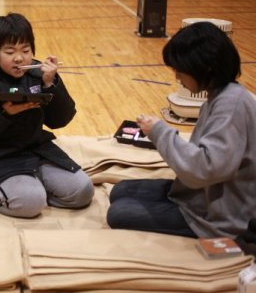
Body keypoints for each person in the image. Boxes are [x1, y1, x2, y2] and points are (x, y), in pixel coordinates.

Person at [107, 22, 256, 238]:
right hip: (200, 194)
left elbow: (203, 169)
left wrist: (160, 132)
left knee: (119, 213)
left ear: (205, 67)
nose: (177, 77)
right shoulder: (222, 96)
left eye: (180, 70)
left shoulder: (231, 105)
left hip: (223, 216)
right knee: (121, 191)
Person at [0, 13, 94, 218]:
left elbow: (60, 121)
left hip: (35, 149)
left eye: (25, 50)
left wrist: (50, 84)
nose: (19, 58)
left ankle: (33, 187)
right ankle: (6, 190)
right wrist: (3, 113)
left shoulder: (38, 74)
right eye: (9, 52)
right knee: (30, 203)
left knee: (82, 192)